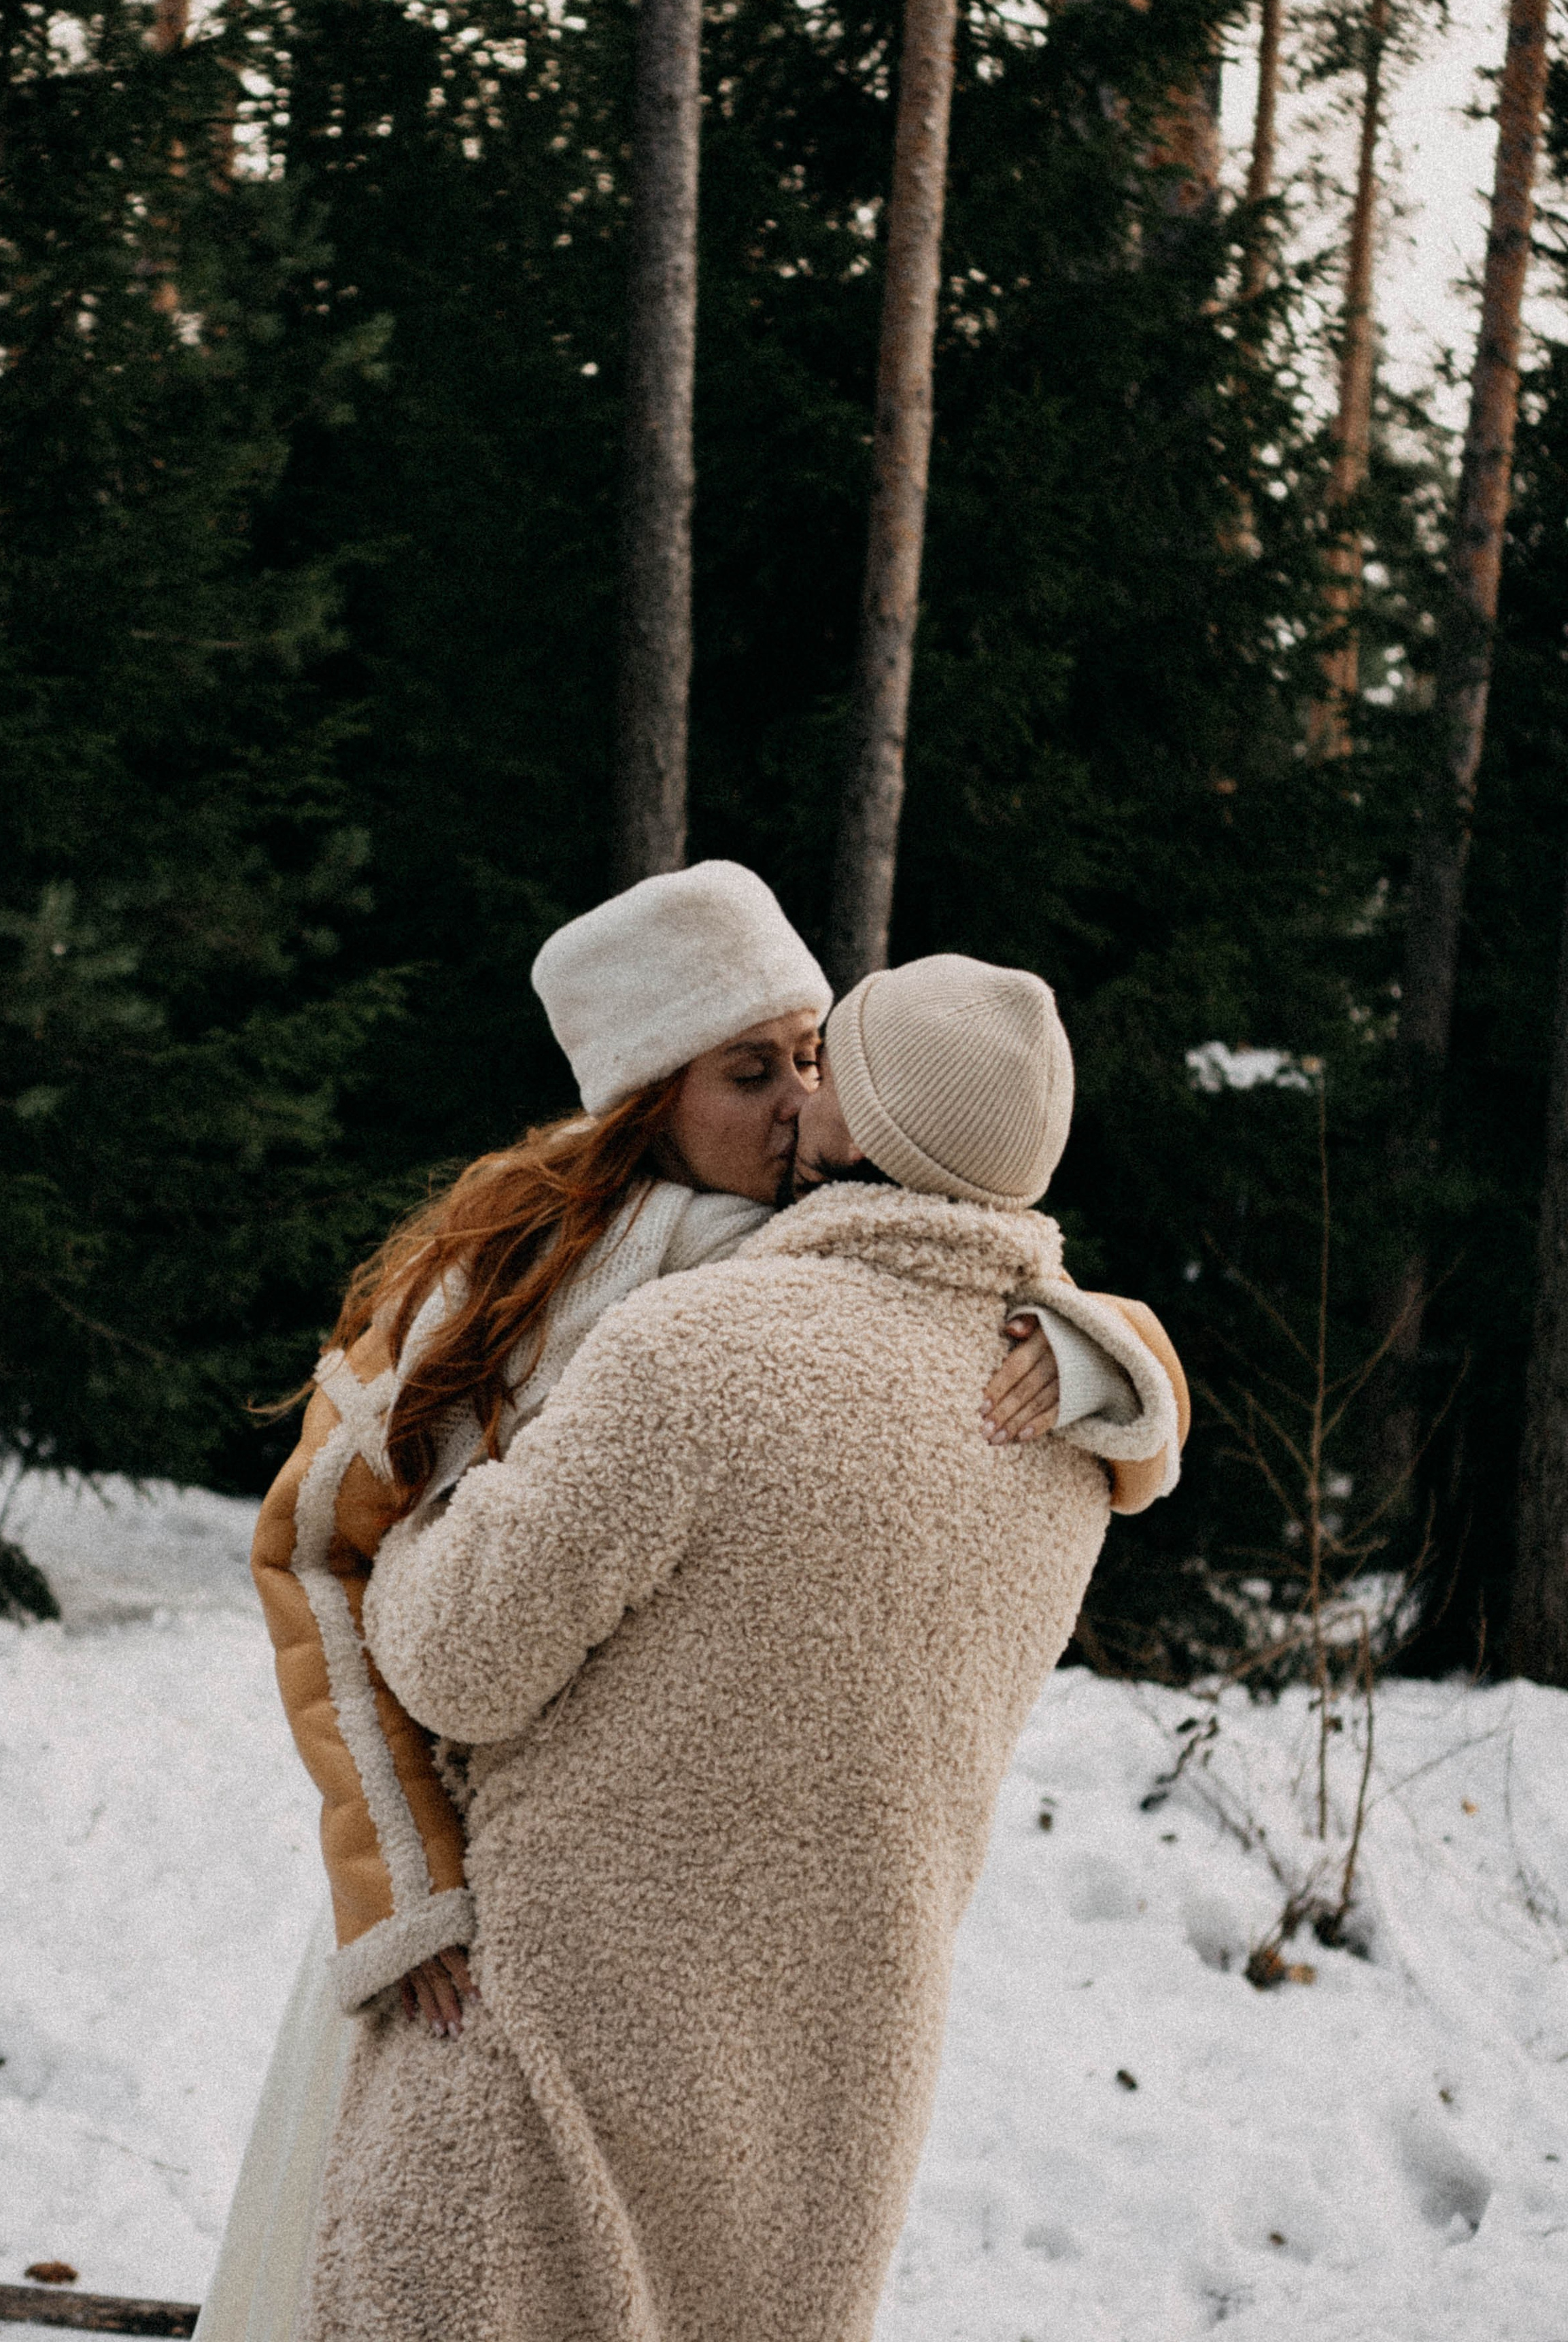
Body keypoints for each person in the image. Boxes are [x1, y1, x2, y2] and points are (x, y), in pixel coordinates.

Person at [199, 868, 1180, 2342]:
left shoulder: (886, 1305)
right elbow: (319, 1557)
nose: (795, 1103)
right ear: (642, 1097)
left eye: (810, 1058)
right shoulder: (503, 1281)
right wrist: (404, 1886)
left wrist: (1109, 1362)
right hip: (453, 1922)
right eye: (749, 1071)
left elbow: (1028, 1307)